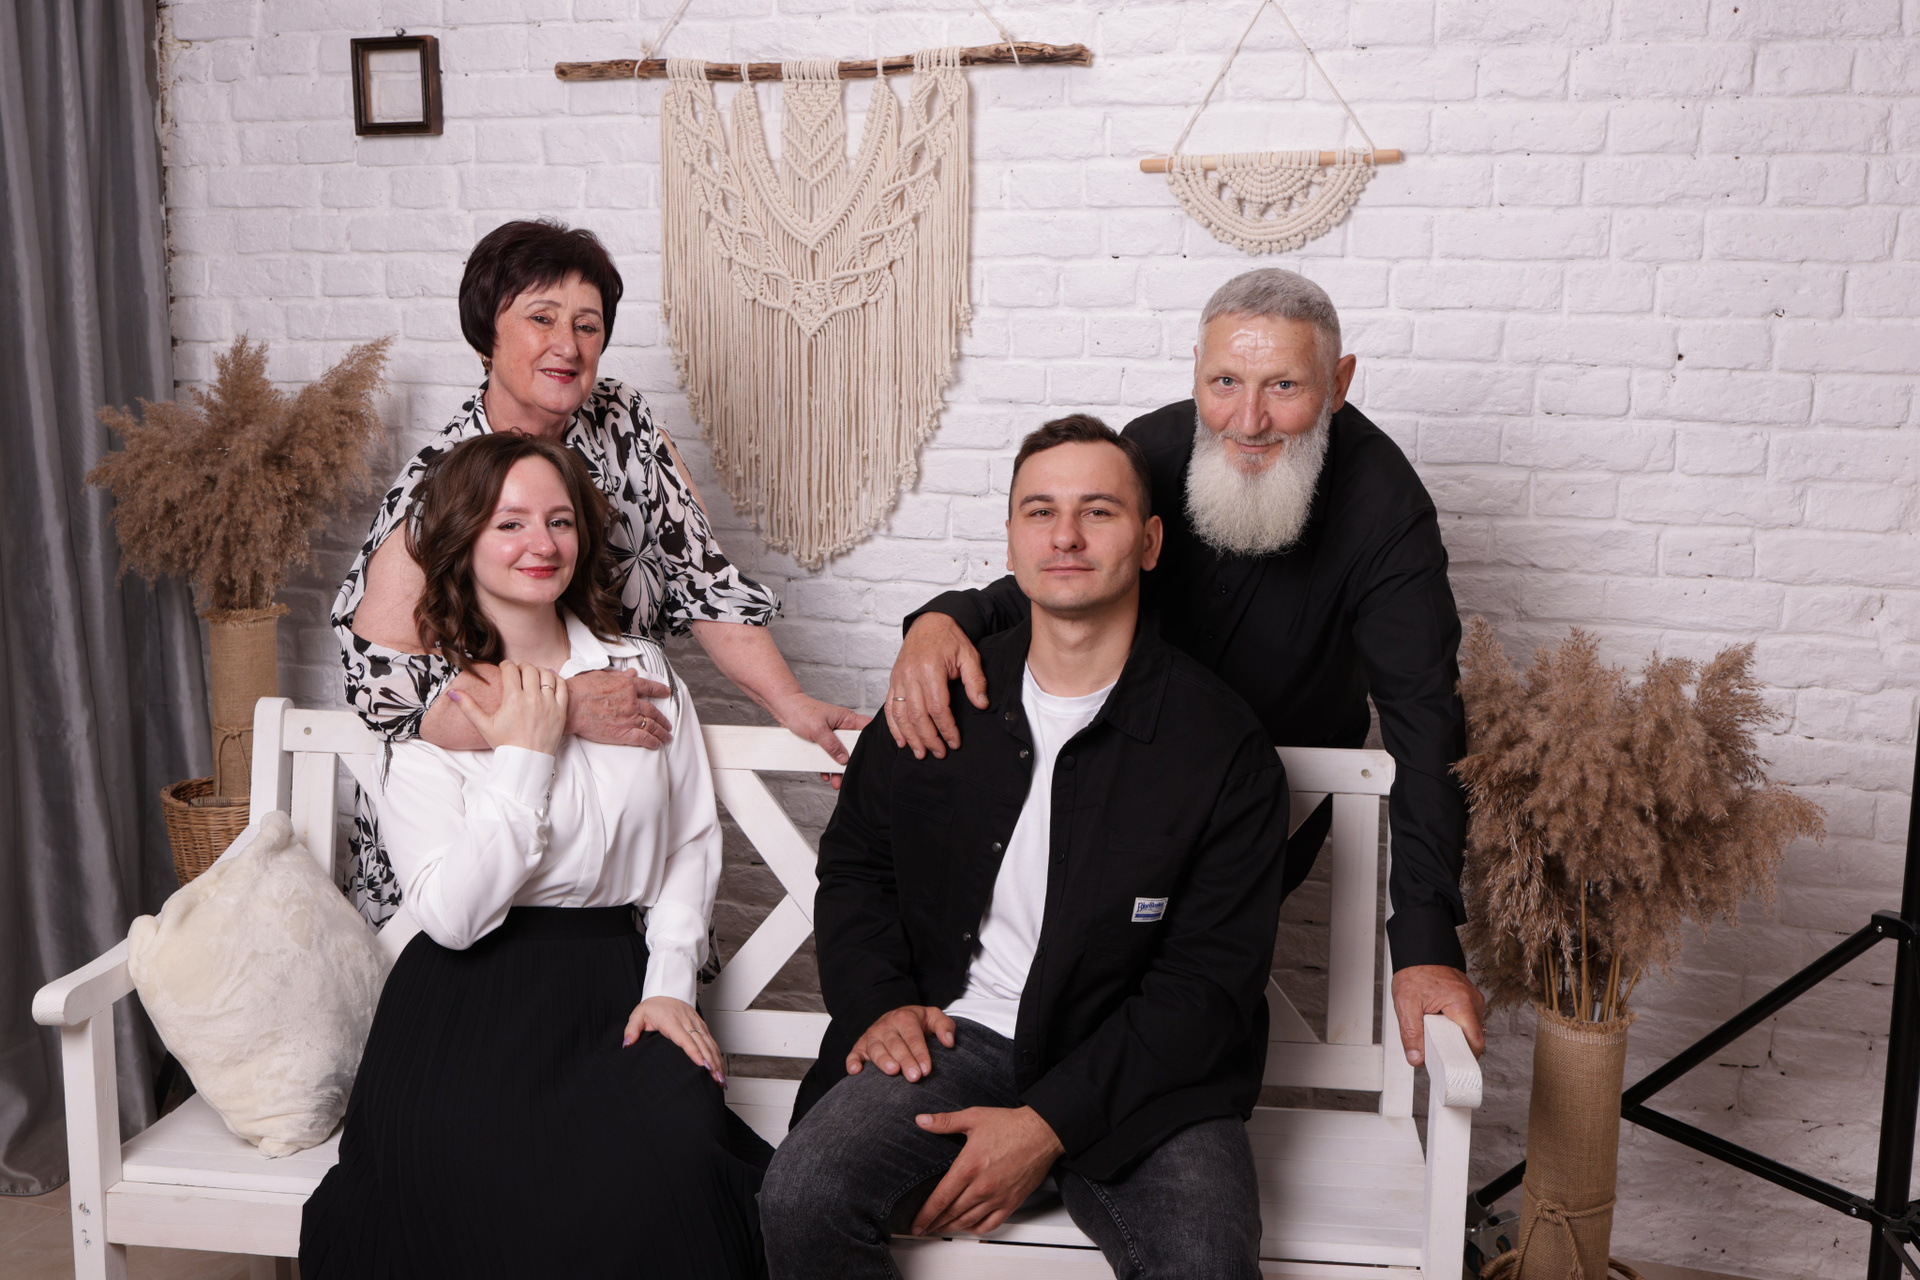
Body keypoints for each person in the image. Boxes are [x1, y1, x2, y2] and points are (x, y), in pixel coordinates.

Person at [886, 268, 1487, 1068]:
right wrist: (947, 618)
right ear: (1196, 372)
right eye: (1225, 382)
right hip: (1110, 785)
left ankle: (1102, 1106)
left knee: (1164, 986)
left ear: (1339, 384)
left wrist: (1425, 938)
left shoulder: (1386, 505)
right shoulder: (1156, 446)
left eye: (1284, 386)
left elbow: (1426, 721)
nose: (1249, 420)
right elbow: (1071, 570)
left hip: (1256, 819)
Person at [760, 416, 1291, 1280]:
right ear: (1011, 538)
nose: (1066, 536)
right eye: (1040, 511)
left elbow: (1205, 988)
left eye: (1099, 512)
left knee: (1203, 1260)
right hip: (955, 1035)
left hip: (1145, 1074)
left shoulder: (1221, 746)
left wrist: (1045, 1126)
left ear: (1150, 542)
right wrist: (879, 1004)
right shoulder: (936, 701)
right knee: (802, 1194)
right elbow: (858, 868)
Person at [301, 432, 771, 1279]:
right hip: (464, 1000)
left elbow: (690, 841)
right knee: (461, 1173)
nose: (541, 543)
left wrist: (670, 983)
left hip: (617, 986)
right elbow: (453, 917)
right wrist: (527, 751)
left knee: (670, 1162)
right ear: (464, 541)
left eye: (559, 521)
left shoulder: (638, 670)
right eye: (509, 523)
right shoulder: (432, 711)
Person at [334, 217, 865, 921]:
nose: (568, 344)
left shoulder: (623, 423)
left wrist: (789, 702)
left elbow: (702, 581)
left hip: (618, 796)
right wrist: (563, 709)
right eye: (542, 318)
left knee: (647, 950)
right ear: (486, 333)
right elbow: (384, 691)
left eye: (587, 325)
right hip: (473, 821)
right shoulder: (442, 484)